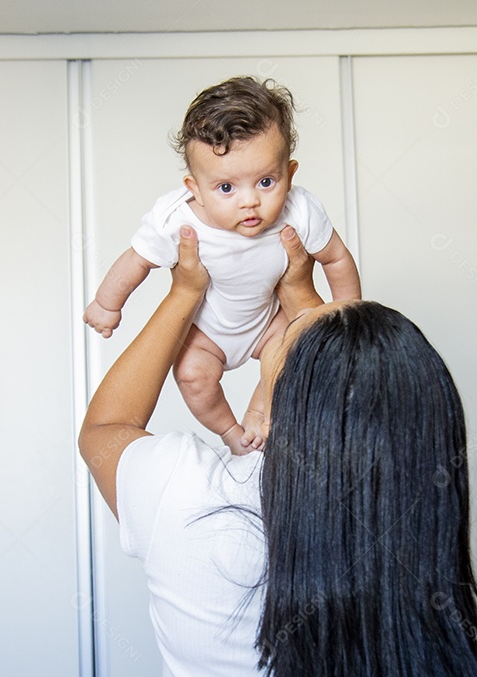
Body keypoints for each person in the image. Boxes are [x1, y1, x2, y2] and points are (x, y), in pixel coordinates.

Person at [79, 226, 477, 677]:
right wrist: (299, 286)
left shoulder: (185, 495)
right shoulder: (412, 522)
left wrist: (183, 293)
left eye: (290, 328)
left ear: (281, 399)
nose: (289, 315)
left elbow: (106, 428)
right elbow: (340, 379)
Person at [83, 76, 361, 456]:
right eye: (226, 188)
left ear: (290, 174)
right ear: (194, 188)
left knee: (291, 358)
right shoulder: (177, 219)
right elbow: (136, 260)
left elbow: (337, 259)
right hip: (207, 331)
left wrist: (349, 313)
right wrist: (107, 304)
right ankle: (230, 432)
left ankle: (259, 413)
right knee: (192, 376)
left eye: (266, 182)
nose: (250, 202)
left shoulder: (301, 210)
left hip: (268, 321)